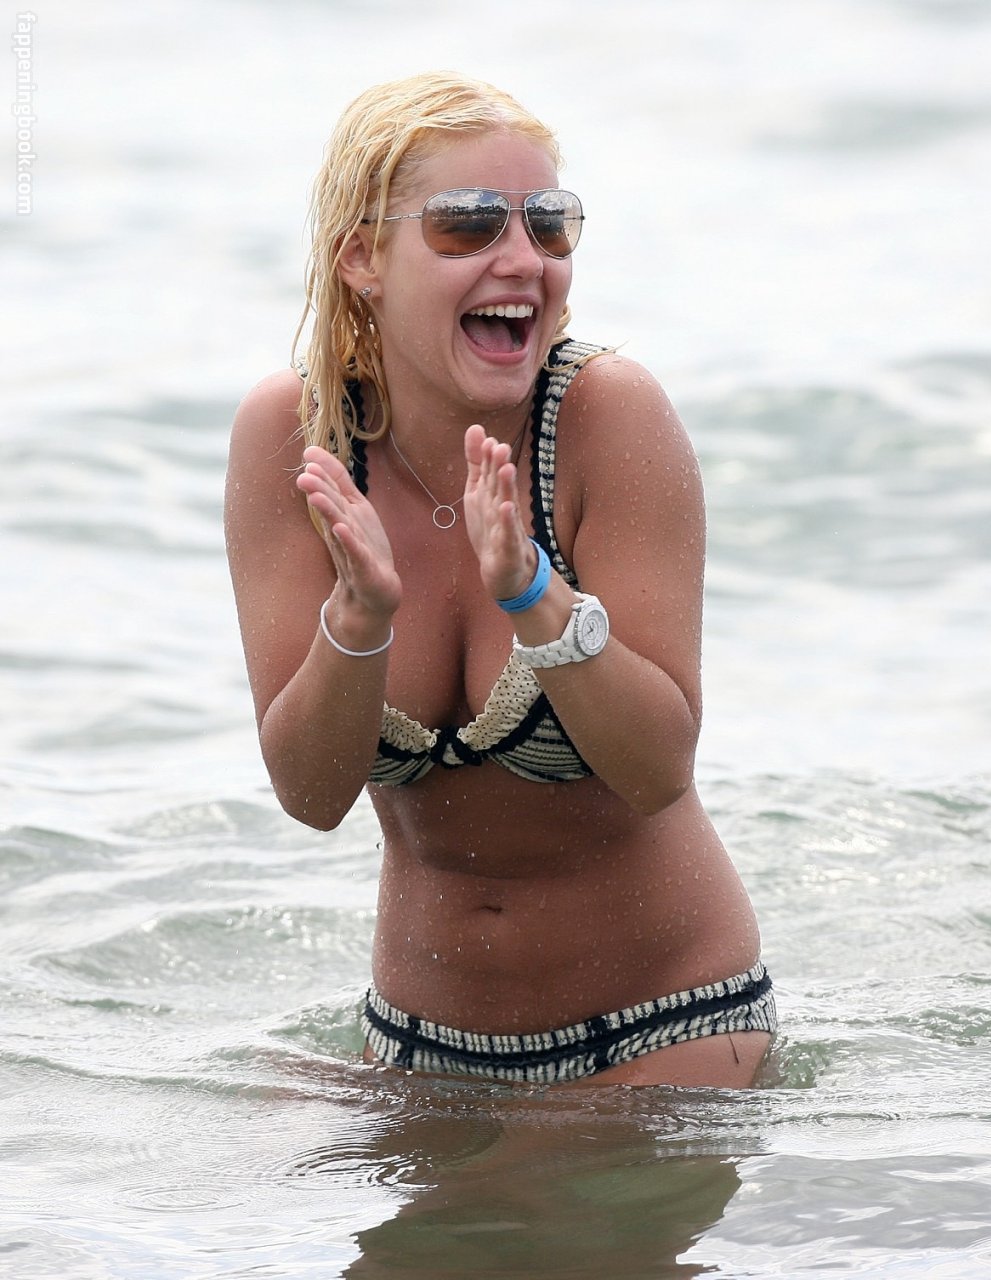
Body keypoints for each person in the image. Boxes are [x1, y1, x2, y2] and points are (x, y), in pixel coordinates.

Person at [225, 71, 776, 1088]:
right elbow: (310, 793)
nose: (522, 258)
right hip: (421, 1046)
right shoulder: (294, 440)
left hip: (665, 1027)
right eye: (468, 224)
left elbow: (659, 766)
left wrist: (536, 598)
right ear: (362, 256)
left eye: (549, 224)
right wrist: (358, 622)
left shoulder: (608, 416)